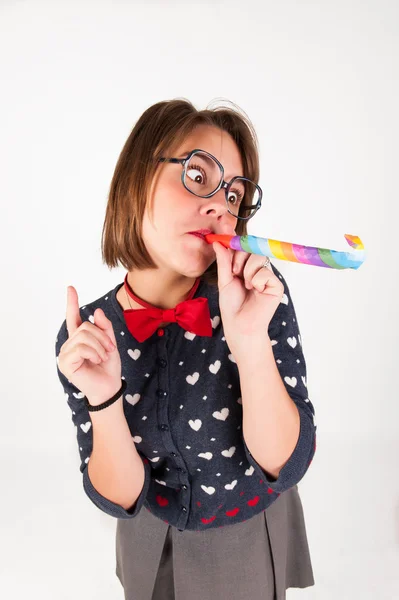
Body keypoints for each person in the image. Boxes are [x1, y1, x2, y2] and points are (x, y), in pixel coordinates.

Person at [55, 98, 317, 600]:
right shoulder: (86, 333)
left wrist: (248, 342)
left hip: (245, 528)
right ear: (137, 178)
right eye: (198, 176)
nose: (221, 207)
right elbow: (119, 496)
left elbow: (286, 461)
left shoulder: (257, 294)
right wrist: (104, 398)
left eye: (235, 196)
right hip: (147, 538)